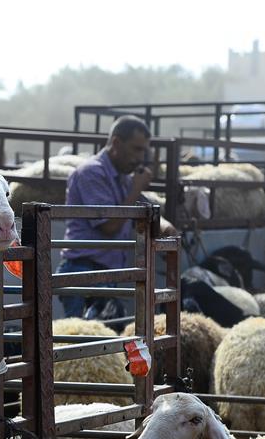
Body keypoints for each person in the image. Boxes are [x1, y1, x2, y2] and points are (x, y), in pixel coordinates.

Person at [58, 115, 177, 319]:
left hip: (105, 273)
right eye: (136, 149)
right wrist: (136, 187)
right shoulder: (91, 173)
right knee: (82, 334)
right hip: (82, 272)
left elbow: (144, 207)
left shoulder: (123, 178)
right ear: (116, 143)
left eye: (144, 151)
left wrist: (166, 228)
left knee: (103, 333)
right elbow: (109, 225)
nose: (140, 157)